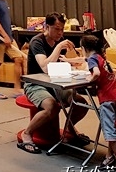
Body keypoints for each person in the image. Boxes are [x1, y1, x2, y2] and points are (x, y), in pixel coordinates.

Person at [18, 12, 90, 154]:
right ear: (47, 27)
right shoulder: (37, 42)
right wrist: (58, 47)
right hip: (35, 84)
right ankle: (27, 133)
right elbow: (45, 67)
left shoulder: (59, 40)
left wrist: (75, 62)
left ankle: (69, 128)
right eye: (57, 29)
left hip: (55, 82)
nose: (60, 33)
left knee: (81, 103)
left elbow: (62, 59)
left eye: (62, 29)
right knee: (51, 106)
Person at [80, 34, 116, 168]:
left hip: (107, 98)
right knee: (113, 126)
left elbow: (96, 73)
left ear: (84, 48)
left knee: (109, 129)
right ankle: (109, 156)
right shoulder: (101, 57)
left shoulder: (92, 59)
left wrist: (89, 80)